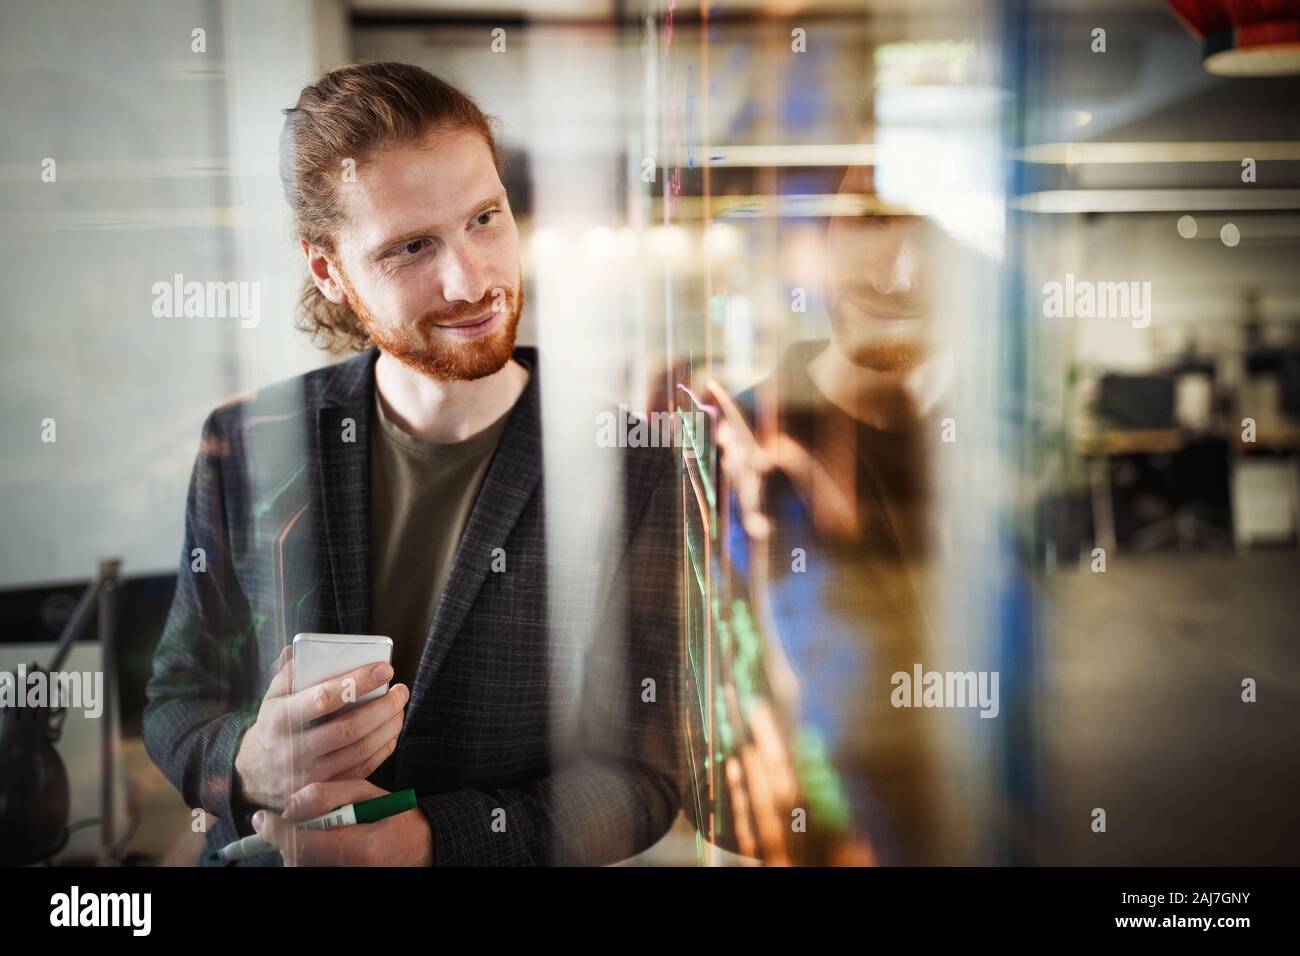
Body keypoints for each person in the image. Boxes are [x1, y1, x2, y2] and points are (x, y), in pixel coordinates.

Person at [143, 62, 686, 866]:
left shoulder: (631, 468)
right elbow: (177, 701)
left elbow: (644, 778)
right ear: (329, 269)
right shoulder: (247, 443)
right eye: (411, 246)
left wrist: (434, 842)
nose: (470, 279)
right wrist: (249, 760)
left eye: (485, 218)